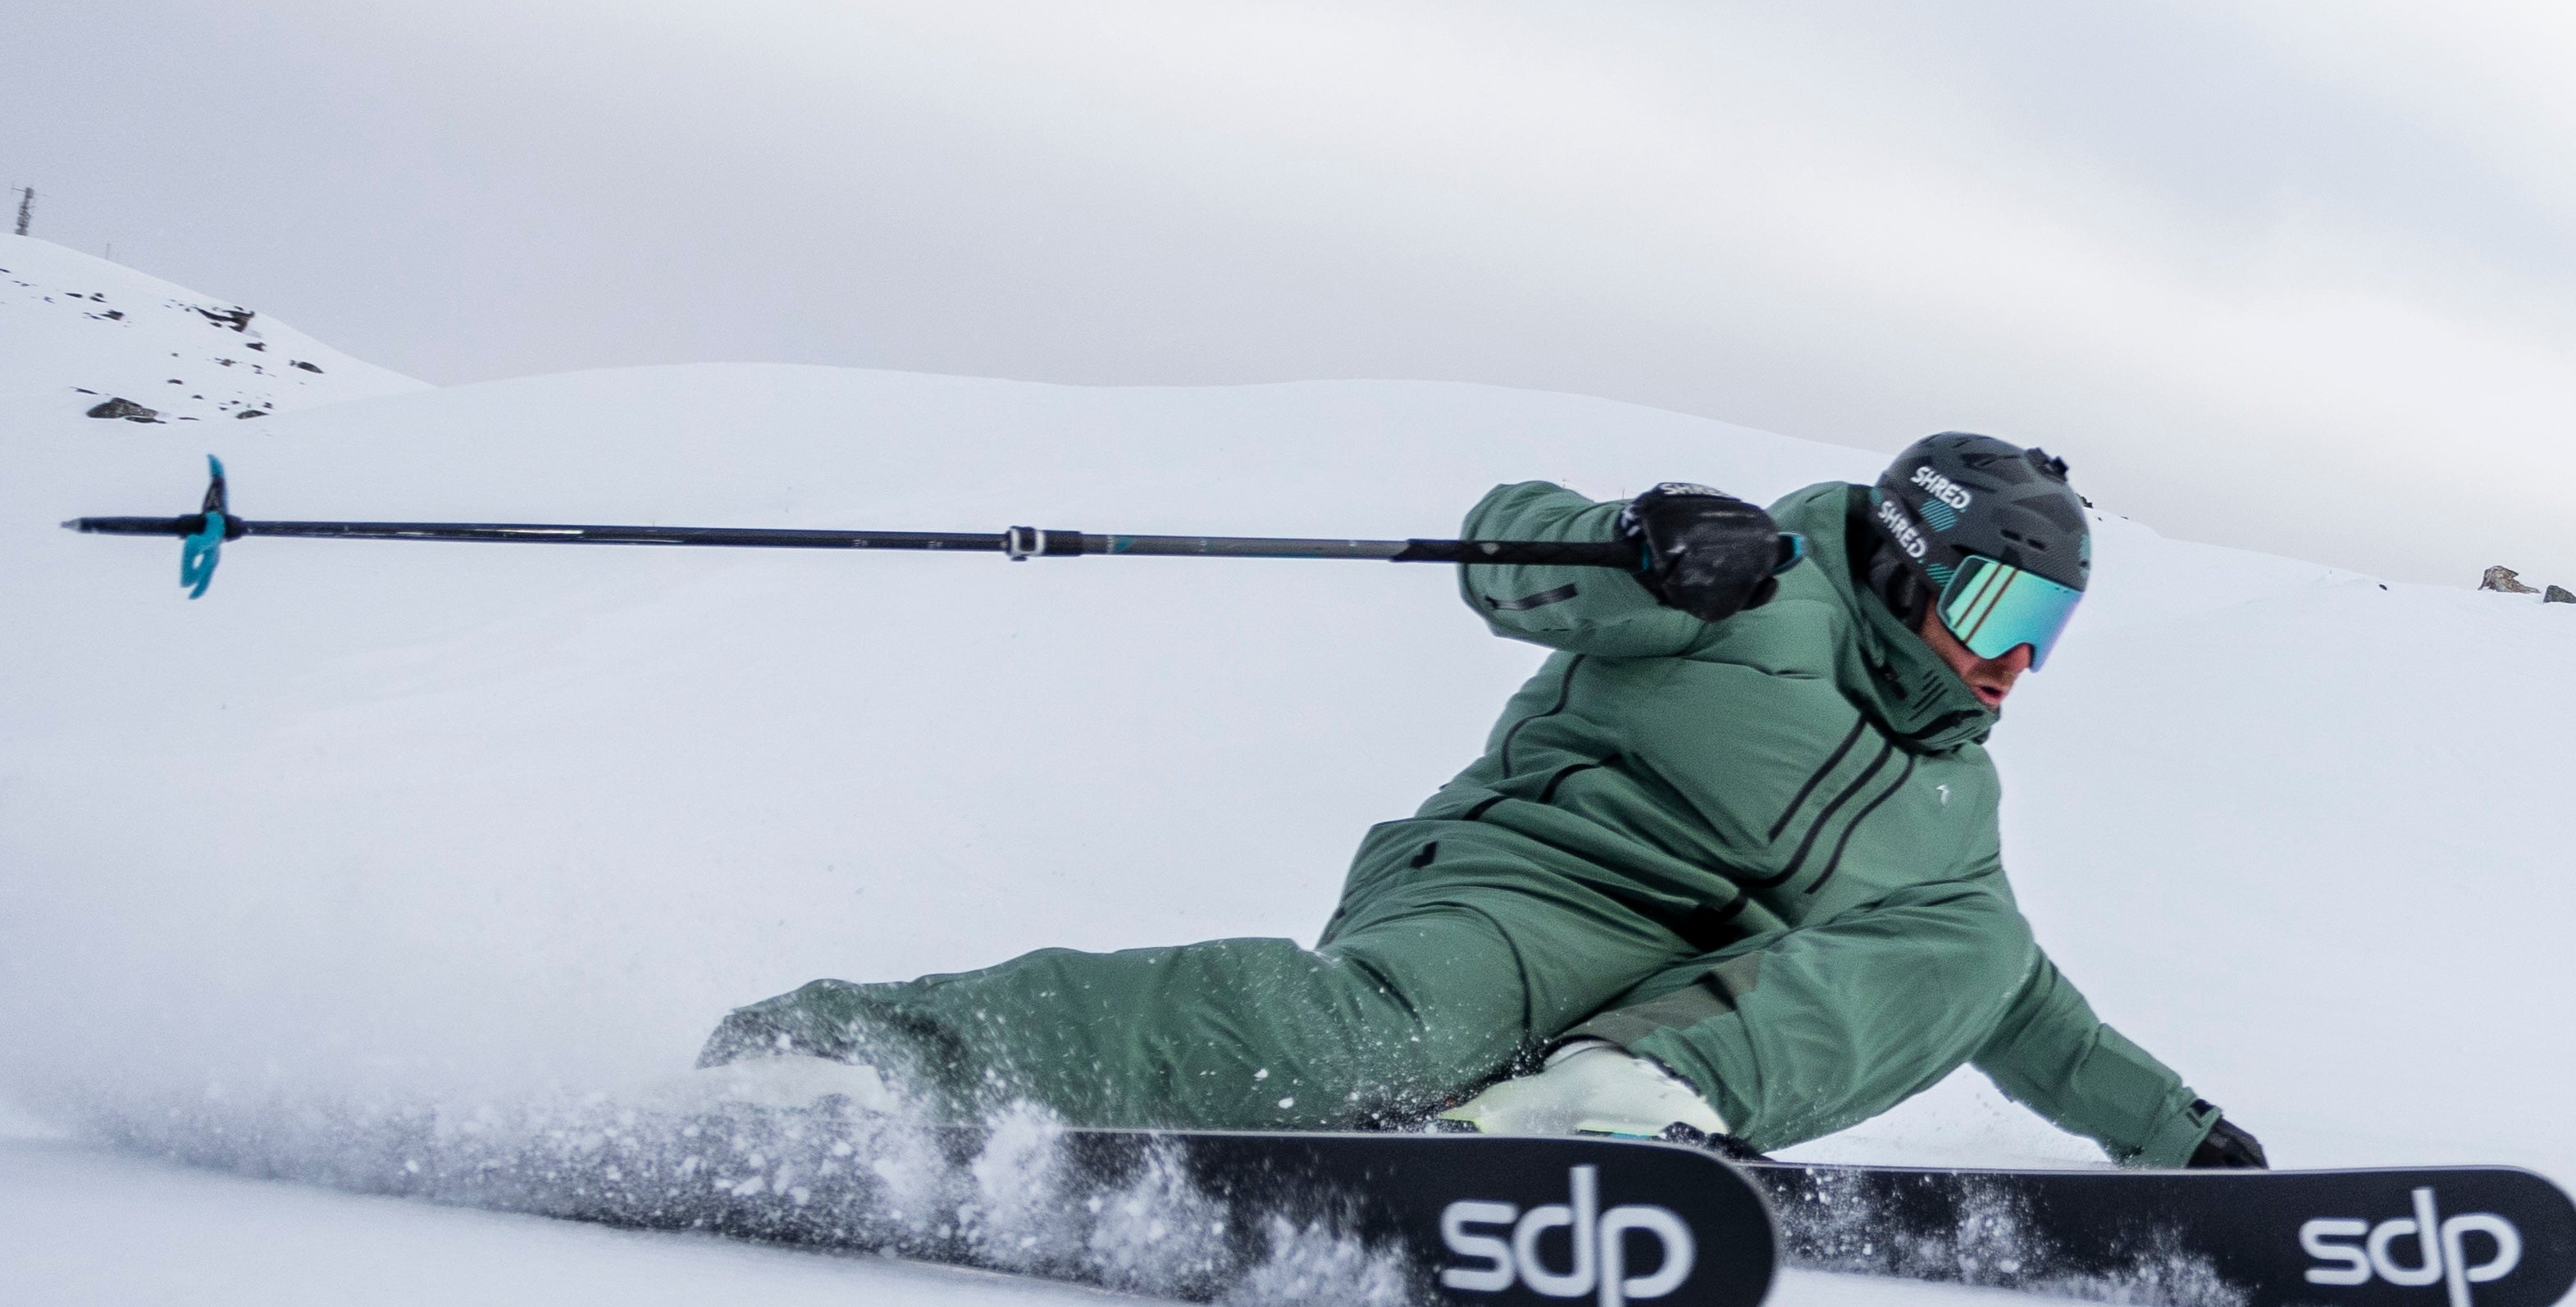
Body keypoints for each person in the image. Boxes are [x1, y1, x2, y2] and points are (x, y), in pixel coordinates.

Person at [699, 434, 2266, 1170]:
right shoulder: (1752, 591)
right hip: (1526, 897)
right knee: (1359, 1045)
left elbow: (2017, 1006)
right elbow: (1507, 552)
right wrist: (1635, 540)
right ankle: (859, 1052)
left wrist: (2178, 1145)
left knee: (1969, 947)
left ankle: (1618, 1104)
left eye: (2048, 632)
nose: (2014, 662)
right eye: (1998, 610)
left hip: (1691, 1014)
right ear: (1914, 563)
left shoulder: (1950, 797)